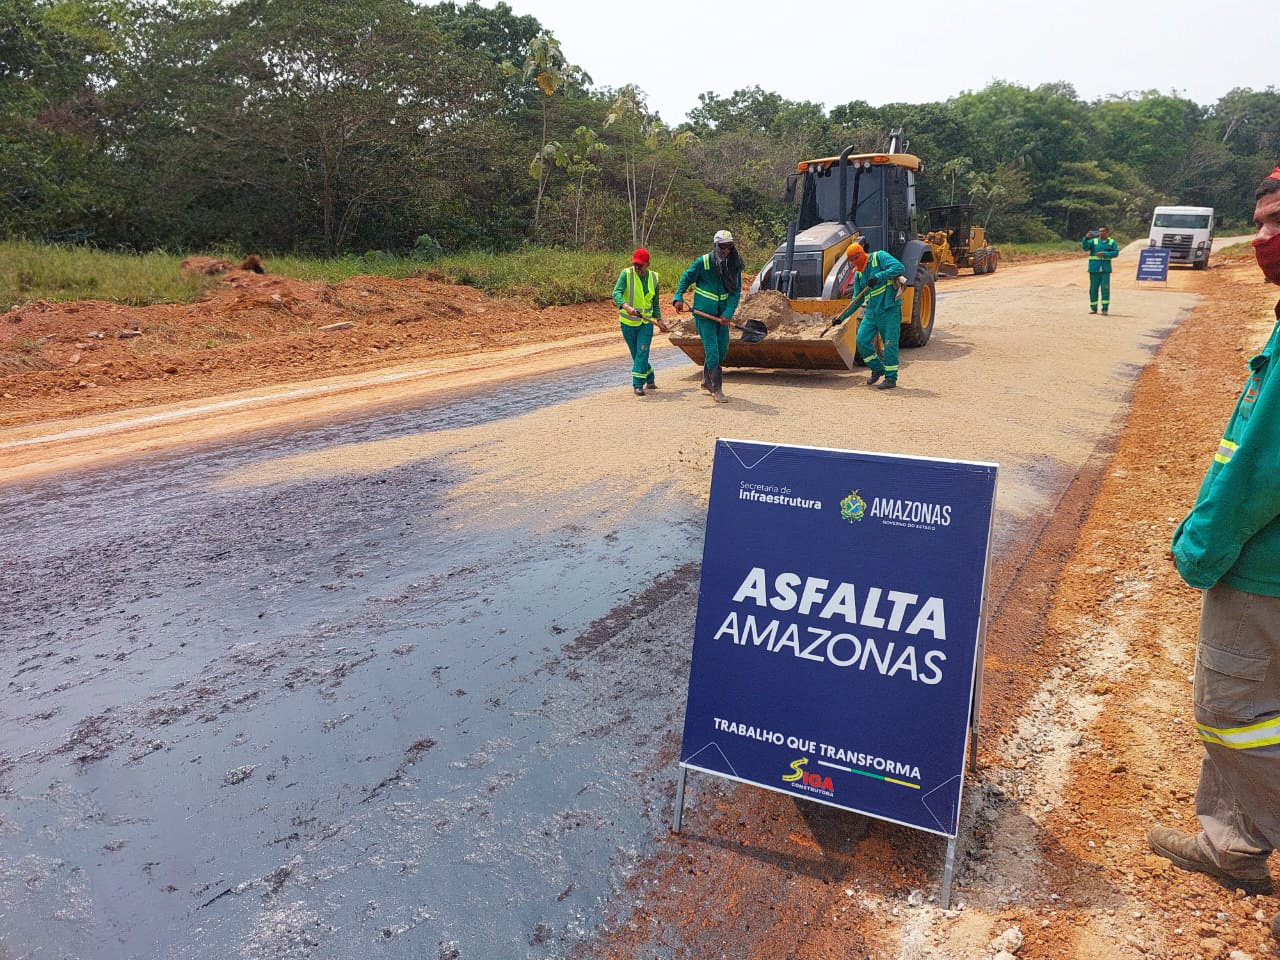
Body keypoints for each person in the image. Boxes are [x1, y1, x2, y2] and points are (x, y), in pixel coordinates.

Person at [1147, 167, 1280, 938]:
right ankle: (1232, 847)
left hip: (1261, 568)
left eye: (1275, 224)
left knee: (1230, 713)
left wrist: (1200, 545)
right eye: (1257, 223)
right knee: (1265, 711)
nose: (1261, 239)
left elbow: (1262, 466)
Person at [672, 229, 744, 403]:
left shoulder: (735, 265)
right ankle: (716, 389)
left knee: (722, 351)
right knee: (712, 351)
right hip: (704, 315)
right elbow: (686, 278)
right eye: (723, 247)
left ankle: (706, 380)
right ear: (716, 246)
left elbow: (735, 293)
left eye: (729, 247)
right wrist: (678, 297)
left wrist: (728, 314)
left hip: (722, 316)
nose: (726, 250)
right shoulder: (703, 262)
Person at [831, 243, 906, 389]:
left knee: (890, 344)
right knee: (861, 340)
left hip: (889, 310)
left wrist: (878, 276)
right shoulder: (859, 273)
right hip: (872, 312)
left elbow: (899, 267)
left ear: (860, 255)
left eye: (854, 259)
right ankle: (877, 368)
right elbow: (857, 299)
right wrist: (842, 317)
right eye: (850, 261)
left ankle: (891, 379)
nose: (853, 263)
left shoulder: (879, 257)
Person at [612, 247, 668, 396]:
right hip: (628, 323)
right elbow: (616, 293)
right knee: (636, 354)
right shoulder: (626, 274)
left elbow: (655, 302)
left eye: (640, 265)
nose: (637, 268)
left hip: (646, 324)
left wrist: (659, 319)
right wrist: (625, 306)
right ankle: (649, 376)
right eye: (635, 265)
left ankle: (638, 385)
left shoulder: (654, 278)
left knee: (642, 352)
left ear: (647, 264)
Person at [1081, 225, 1119, 314]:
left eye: (1103, 231)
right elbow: (1085, 247)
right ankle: (1093, 308)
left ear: (1107, 232)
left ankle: (1105, 309)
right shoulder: (1093, 241)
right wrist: (1085, 238)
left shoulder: (1112, 242)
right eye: (1099, 231)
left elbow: (1116, 253)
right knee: (1093, 288)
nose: (1101, 233)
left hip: (1105, 269)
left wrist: (1105, 253)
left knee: (1105, 289)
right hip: (1094, 268)